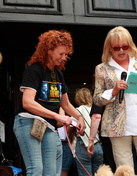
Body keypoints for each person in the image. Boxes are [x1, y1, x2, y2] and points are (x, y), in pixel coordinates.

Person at [88, 26, 137, 176]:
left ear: (130, 45)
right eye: (116, 48)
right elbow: (96, 99)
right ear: (109, 48)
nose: (121, 50)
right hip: (117, 126)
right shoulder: (101, 68)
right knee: (124, 169)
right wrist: (113, 91)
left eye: (125, 46)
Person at [13, 30, 86, 176]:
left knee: (52, 172)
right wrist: (57, 116)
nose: (64, 58)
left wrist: (80, 117)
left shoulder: (59, 75)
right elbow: (27, 102)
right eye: (61, 54)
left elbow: (66, 104)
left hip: (48, 126)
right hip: (29, 121)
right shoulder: (34, 70)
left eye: (66, 54)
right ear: (48, 51)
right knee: (36, 169)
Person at [73, 88, 103, 176]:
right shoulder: (96, 110)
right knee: (100, 173)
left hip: (83, 145)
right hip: (98, 145)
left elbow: (71, 128)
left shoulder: (77, 111)